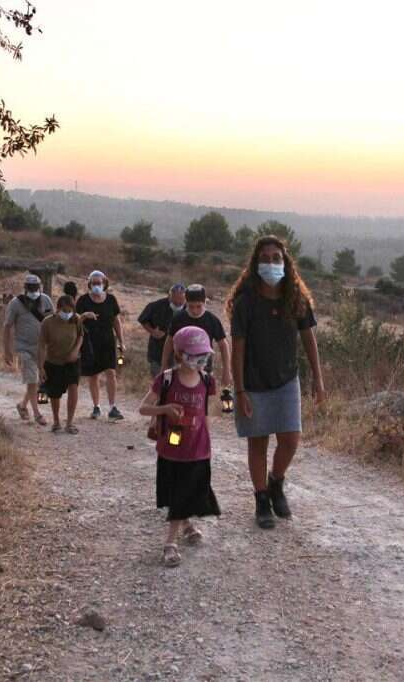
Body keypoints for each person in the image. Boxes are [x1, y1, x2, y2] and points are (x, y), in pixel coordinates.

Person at [227, 236, 325, 529]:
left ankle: (276, 482)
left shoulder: (295, 298)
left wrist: (318, 380)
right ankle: (261, 501)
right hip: (254, 383)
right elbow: (238, 349)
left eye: (276, 258)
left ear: (285, 262)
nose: (271, 263)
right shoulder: (246, 303)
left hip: (286, 380)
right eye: (265, 258)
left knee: (290, 439)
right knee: (258, 442)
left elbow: (309, 339)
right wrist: (240, 389)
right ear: (256, 264)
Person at [138, 326, 221, 568]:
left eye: (203, 355)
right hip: (173, 447)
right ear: (179, 354)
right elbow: (143, 408)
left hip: (197, 448)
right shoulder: (166, 379)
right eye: (194, 355)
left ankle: (186, 524)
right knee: (178, 493)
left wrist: (208, 441)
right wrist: (164, 409)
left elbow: (204, 414)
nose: (199, 360)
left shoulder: (207, 380)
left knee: (191, 490)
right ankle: (170, 544)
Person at [3, 273, 55, 425]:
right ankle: (37, 413)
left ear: (40, 287)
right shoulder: (15, 303)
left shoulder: (46, 300)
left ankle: (23, 405)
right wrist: (7, 350)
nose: (33, 290)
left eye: (35, 287)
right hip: (24, 347)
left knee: (37, 381)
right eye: (30, 287)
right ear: (25, 288)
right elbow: (7, 326)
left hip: (42, 348)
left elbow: (52, 321)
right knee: (32, 378)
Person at [38, 294, 93, 434]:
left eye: (70, 311)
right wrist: (41, 367)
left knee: (73, 387)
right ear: (58, 308)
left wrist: (75, 351)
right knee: (55, 393)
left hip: (72, 362)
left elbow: (81, 336)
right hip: (53, 362)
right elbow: (42, 345)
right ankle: (56, 421)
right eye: (65, 310)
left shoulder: (76, 320)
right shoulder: (47, 323)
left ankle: (70, 423)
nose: (67, 313)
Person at [75, 270, 126, 421]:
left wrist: (121, 341)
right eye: (94, 283)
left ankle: (112, 407)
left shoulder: (111, 300)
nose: (97, 285)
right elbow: (75, 320)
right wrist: (84, 316)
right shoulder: (83, 300)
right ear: (89, 284)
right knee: (93, 375)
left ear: (104, 284)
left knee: (111, 372)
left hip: (108, 341)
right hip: (90, 342)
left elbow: (116, 321)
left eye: (99, 283)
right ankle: (96, 407)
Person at [161, 284, 232, 387]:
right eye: (191, 306)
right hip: (180, 369)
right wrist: (164, 365)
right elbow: (169, 341)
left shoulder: (212, 320)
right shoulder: (179, 318)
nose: (194, 310)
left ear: (204, 302)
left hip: (204, 370)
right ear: (186, 302)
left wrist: (227, 370)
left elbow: (223, 345)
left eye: (199, 306)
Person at [138, 283, 186, 378]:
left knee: (175, 383)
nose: (177, 302)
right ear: (169, 296)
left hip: (180, 354)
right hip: (158, 351)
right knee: (159, 381)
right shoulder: (156, 306)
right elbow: (143, 319)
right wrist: (152, 331)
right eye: (175, 299)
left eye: (181, 299)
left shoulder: (189, 309)